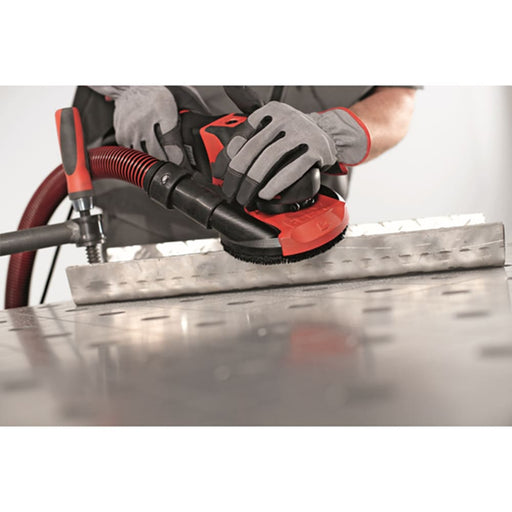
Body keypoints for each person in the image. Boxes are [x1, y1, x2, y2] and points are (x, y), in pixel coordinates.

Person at [75, 86, 418, 246]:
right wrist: (125, 84)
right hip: (152, 219)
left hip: (299, 229)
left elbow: (398, 95)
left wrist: (333, 132)